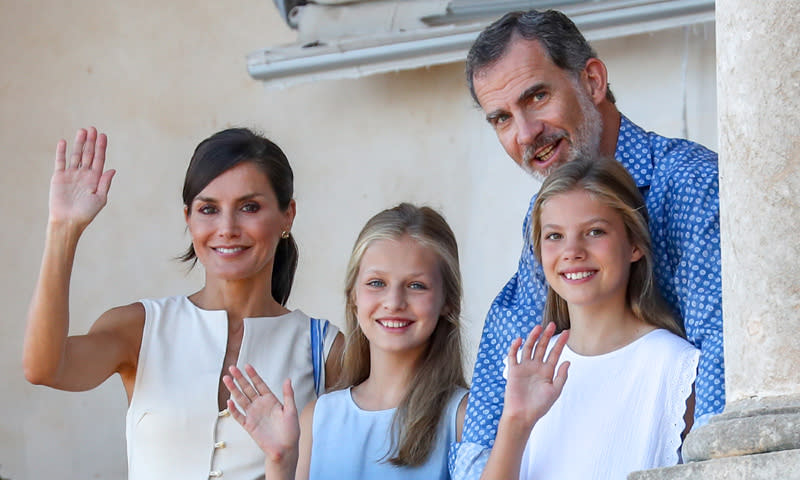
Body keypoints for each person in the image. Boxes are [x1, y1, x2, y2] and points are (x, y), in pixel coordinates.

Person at [451, 9, 722, 478]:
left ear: (593, 81)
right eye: (501, 118)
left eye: (537, 96)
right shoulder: (539, 216)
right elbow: (509, 347)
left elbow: (723, 357)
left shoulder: (692, 183)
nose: (524, 133)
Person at [23, 126, 344, 480]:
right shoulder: (140, 327)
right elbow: (45, 368)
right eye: (209, 209)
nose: (227, 227)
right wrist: (63, 229)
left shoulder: (325, 349)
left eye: (249, 207)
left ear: (288, 215)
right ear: (188, 217)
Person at [481, 158, 699, 479]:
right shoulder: (527, 369)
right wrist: (516, 421)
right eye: (554, 236)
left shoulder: (675, 369)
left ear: (634, 244)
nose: (572, 251)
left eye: (595, 232)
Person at [223, 203, 470, 480]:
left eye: (416, 285)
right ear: (353, 296)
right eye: (377, 283)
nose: (394, 302)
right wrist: (279, 462)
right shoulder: (318, 418)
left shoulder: (463, 418)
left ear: (448, 301)